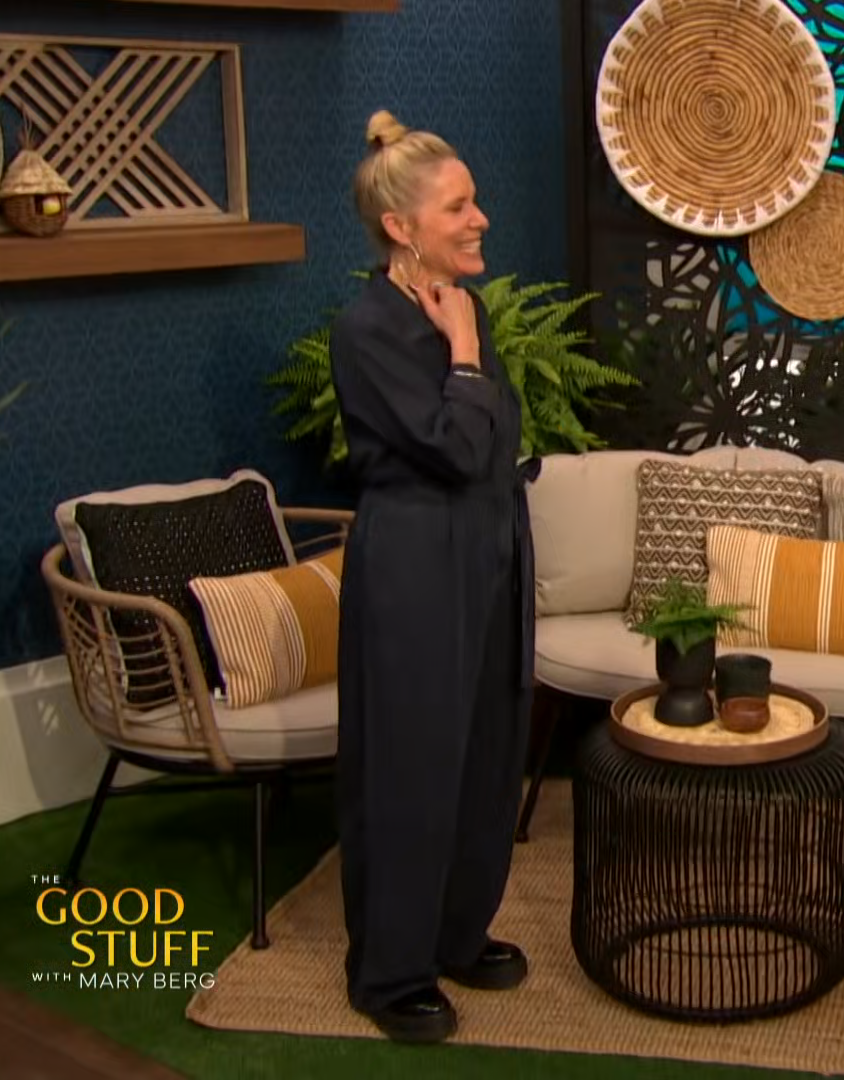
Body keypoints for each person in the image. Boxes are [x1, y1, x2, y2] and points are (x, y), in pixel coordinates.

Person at [330, 109, 539, 1044]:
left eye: (474, 200)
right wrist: (460, 352)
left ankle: (458, 933)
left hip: (491, 545)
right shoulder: (368, 329)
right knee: (412, 762)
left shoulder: (468, 306)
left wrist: (465, 343)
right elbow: (457, 447)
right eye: (458, 206)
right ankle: (390, 971)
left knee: (487, 751)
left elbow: (496, 439)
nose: (480, 218)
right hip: (415, 562)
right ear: (400, 227)